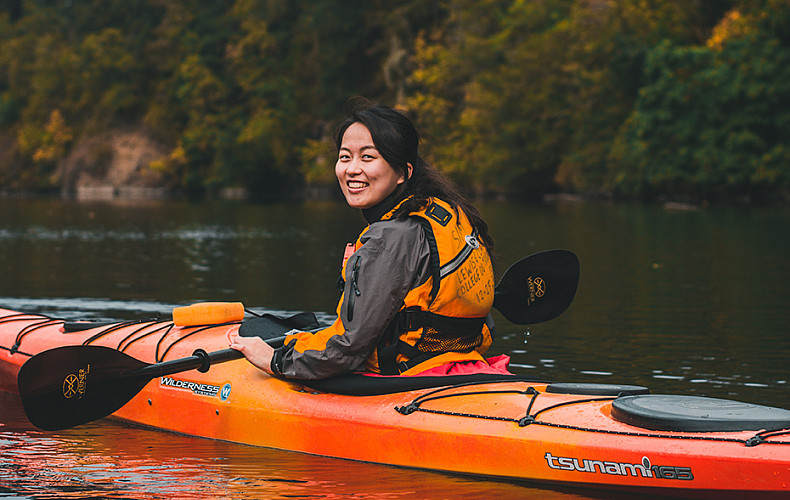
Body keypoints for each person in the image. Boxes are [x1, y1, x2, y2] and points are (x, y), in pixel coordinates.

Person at [230, 97, 509, 379]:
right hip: (458, 364)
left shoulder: (388, 238)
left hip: (404, 376)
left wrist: (275, 360)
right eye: (344, 157)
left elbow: (346, 352)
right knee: (269, 329)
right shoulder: (451, 214)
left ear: (403, 172)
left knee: (260, 334)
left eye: (368, 157)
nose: (352, 169)